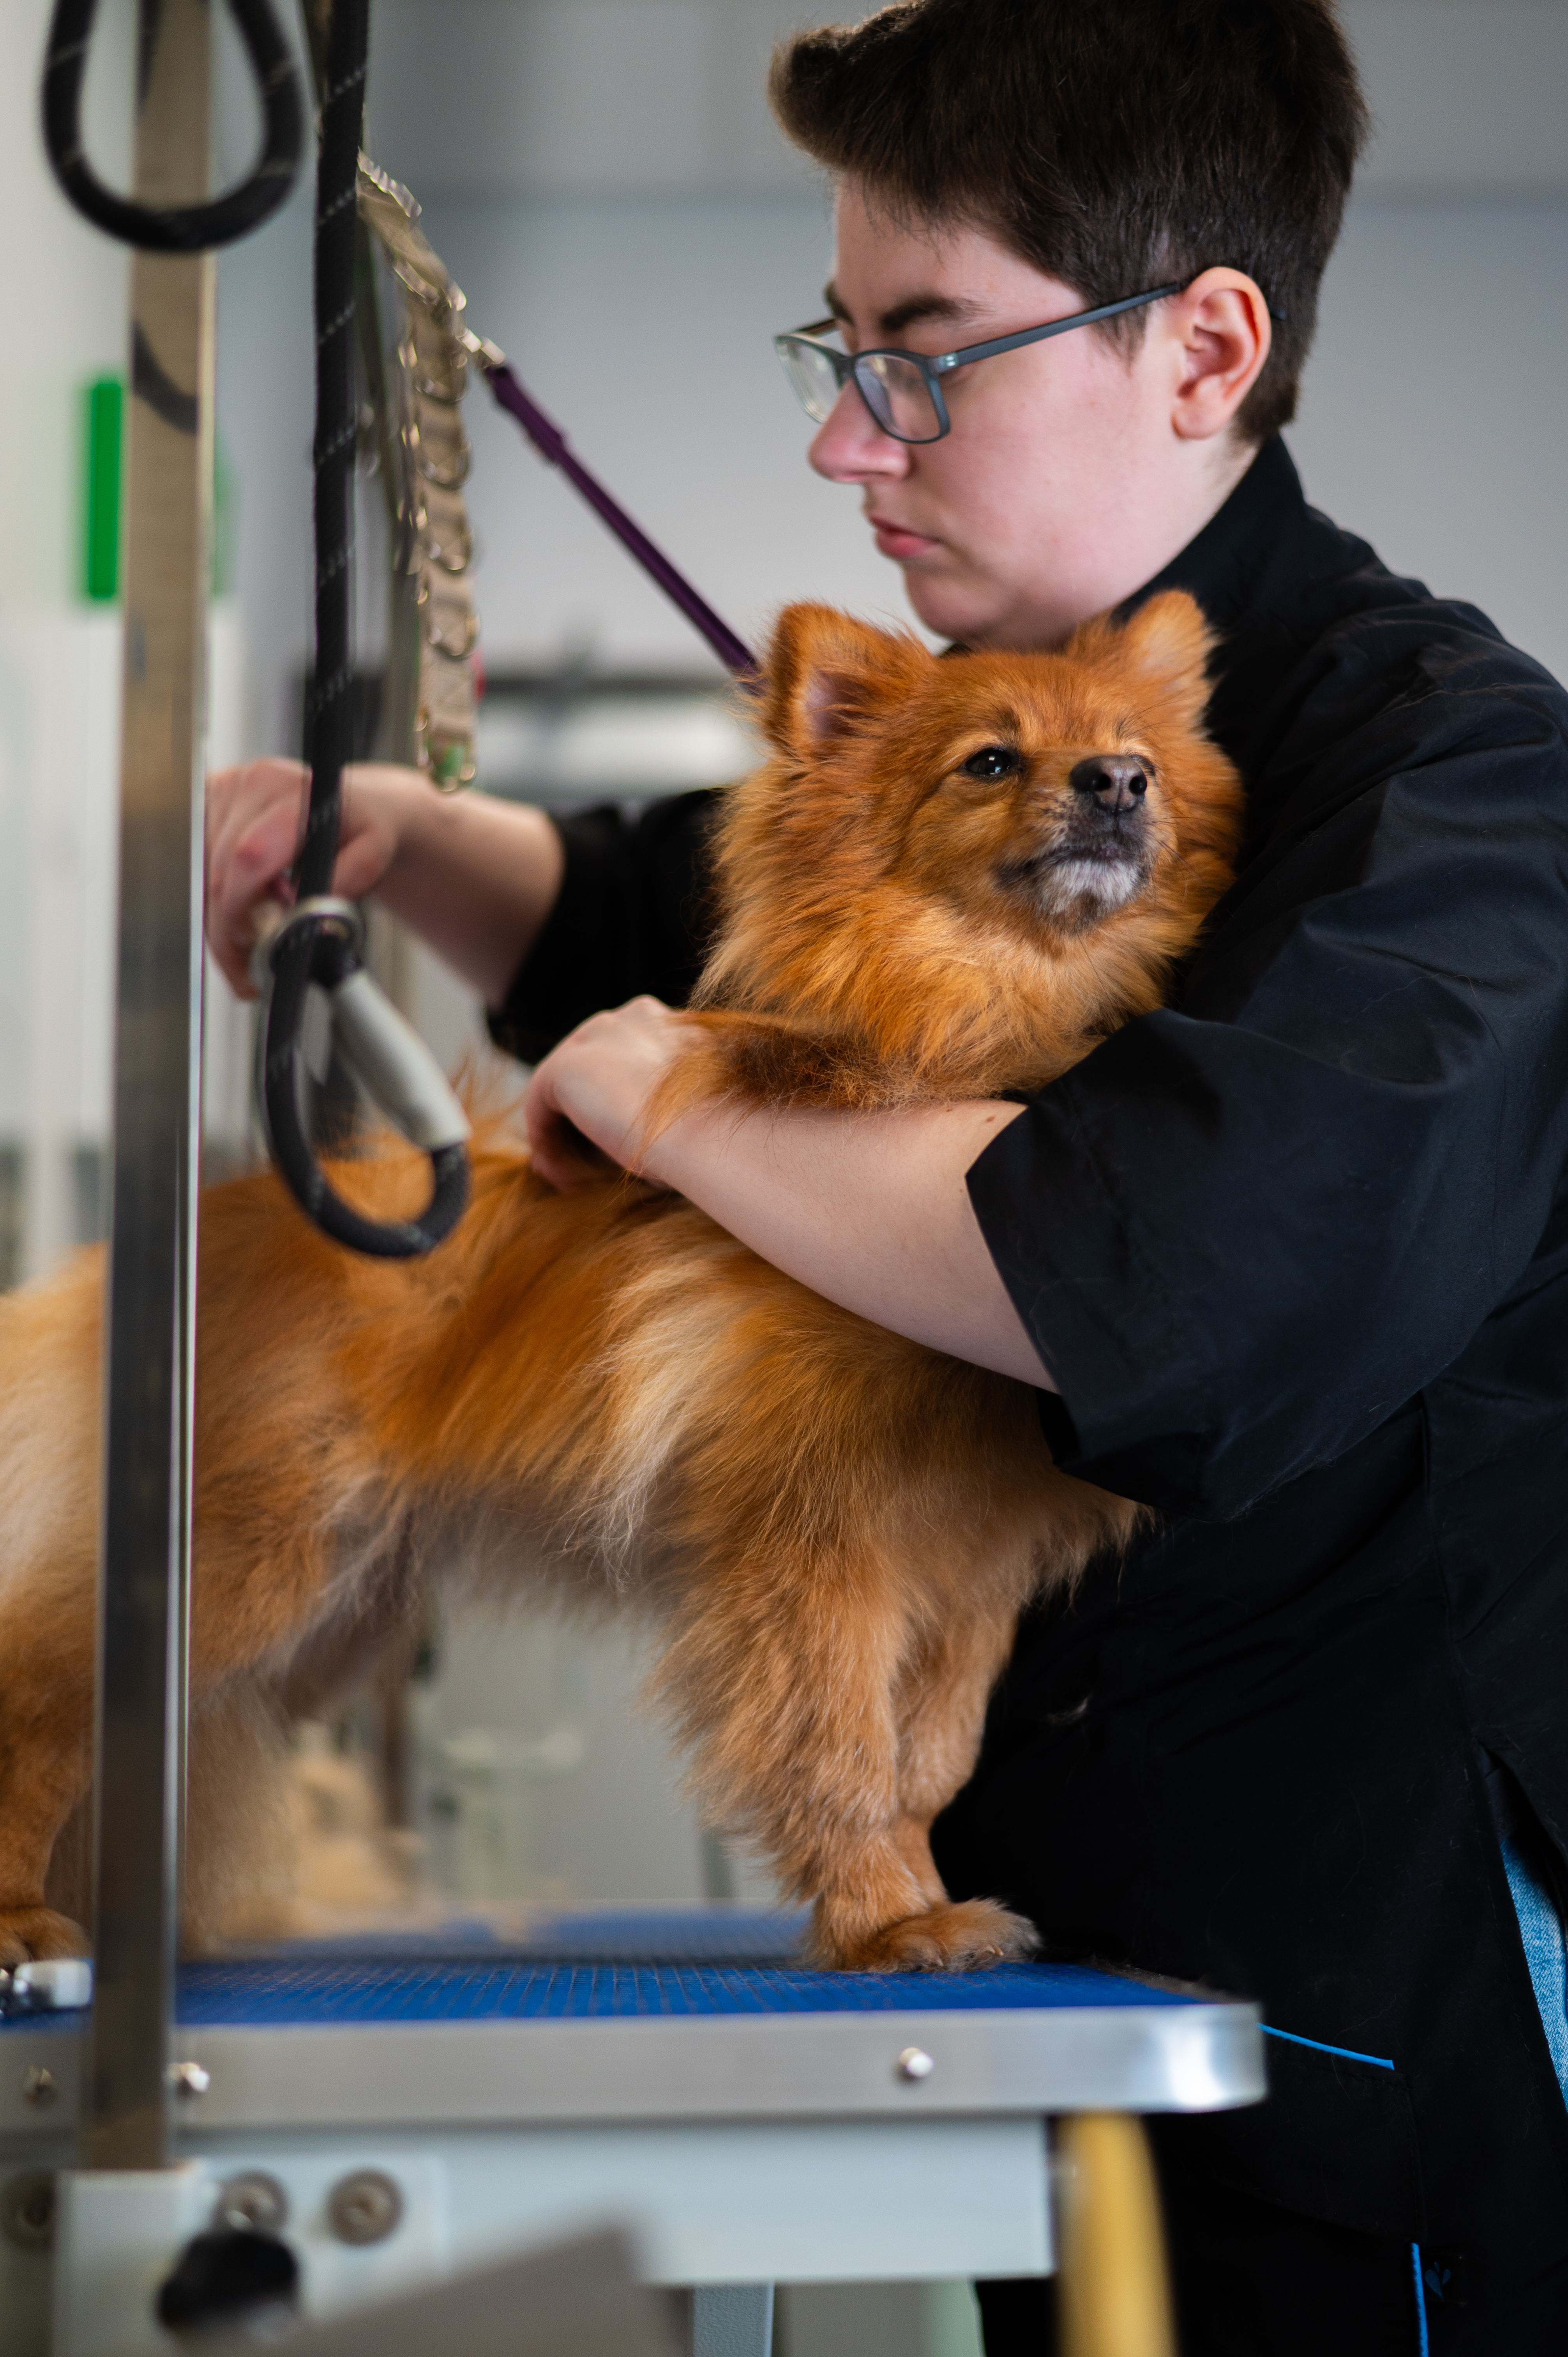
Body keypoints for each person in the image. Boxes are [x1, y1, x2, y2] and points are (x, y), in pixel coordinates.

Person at [206, 2, 1568, 2346]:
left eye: (923, 359)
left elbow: (1159, 1265)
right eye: (837, 357)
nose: (850, 441)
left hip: (1373, 2001)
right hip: (1045, 1961)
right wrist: (416, 844)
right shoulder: (1000, 713)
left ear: (1199, 347)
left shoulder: (1457, 803)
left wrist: (673, 1102)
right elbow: (694, 935)